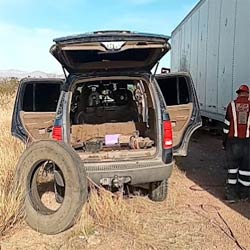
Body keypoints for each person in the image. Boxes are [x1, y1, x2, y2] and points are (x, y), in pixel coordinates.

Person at [223, 84, 250, 203]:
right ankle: (244, 194)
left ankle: (230, 195)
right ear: (248, 94)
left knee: (232, 169)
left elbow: (226, 127)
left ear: (238, 93)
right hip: (247, 143)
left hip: (233, 142)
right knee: (246, 170)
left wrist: (224, 142)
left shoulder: (232, 105)